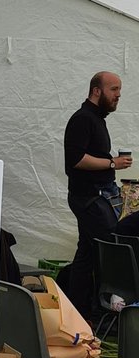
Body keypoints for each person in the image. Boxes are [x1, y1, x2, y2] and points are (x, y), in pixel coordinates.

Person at [61, 71, 134, 319]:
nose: (118, 95)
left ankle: (77, 313)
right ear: (96, 91)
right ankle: (107, 309)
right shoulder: (83, 119)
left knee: (87, 254)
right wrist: (112, 163)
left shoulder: (96, 119)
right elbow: (77, 159)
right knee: (112, 246)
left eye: (119, 90)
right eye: (114, 89)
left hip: (95, 196)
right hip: (89, 198)